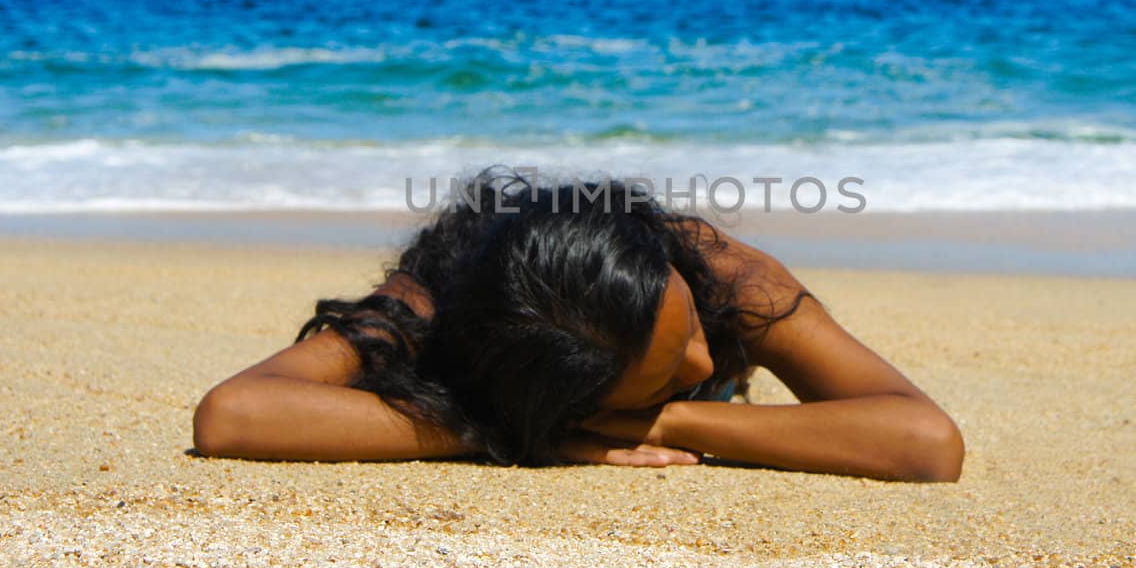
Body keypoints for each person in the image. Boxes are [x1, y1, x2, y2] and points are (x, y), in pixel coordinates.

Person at [192, 170, 964, 481]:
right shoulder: (432, 303)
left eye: (686, 325)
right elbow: (234, 414)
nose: (702, 351)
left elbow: (927, 440)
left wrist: (663, 415)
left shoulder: (713, 270)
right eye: (666, 369)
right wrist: (503, 429)